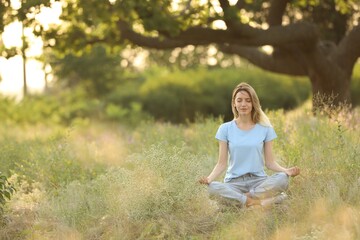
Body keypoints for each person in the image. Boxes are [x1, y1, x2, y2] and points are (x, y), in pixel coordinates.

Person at [199, 82, 300, 208]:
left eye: (248, 100)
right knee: (212, 188)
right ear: (234, 104)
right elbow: (221, 163)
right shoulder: (225, 129)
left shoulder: (265, 128)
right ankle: (258, 202)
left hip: (258, 182)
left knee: (283, 179)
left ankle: (241, 200)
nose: (243, 104)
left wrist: (286, 171)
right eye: (239, 100)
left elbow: (270, 163)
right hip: (234, 183)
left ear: (253, 103)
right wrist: (209, 179)